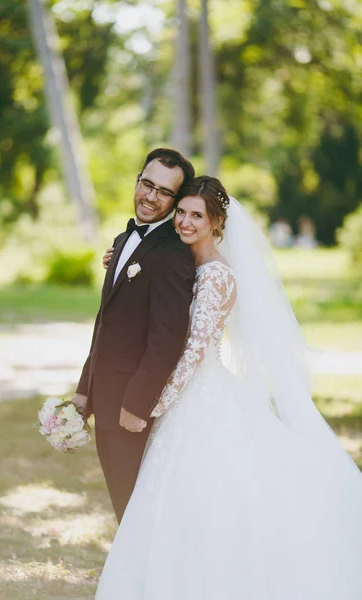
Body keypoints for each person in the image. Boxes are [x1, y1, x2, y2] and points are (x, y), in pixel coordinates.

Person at [95, 176, 362, 599]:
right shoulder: (184, 262)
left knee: (206, 495)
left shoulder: (216, 275)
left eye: (195, 215)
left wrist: (154, 404)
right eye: (180, 212)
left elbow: (195, 352)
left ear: (217, 223)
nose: (183, 221)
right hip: (187, 397)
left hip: (198, 397)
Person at [71, 148, 196, 523]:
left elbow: (168, 340)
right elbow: (106, 323)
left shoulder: (174, 255)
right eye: (147, 184)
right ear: (137, 179)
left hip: (131, 409)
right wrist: (83, 390)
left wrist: (137, 406)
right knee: (123, 508)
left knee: (136, 512)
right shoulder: (123, 239)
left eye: (163, 192)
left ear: (176, 201)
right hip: (104, 397)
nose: (150, 196)